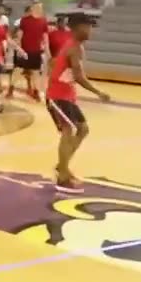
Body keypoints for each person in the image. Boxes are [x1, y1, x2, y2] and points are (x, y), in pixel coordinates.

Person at [46, 14, 111, 193]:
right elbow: (79, 77)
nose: (90, 30)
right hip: (57, 96)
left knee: (83, 129)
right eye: (87, 26)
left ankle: (62, 166)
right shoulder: (74, 48)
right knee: (69, 131)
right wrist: (99, 92)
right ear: (77, 28)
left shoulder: (76, 47)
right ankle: (62, 177)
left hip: (66, 96)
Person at [13, 2, 49, 101]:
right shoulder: (24, 20)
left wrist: (47, 51)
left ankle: (36, 91)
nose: (39, 9)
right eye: (37, 7)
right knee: (18, 70)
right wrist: (20, 49)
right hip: (25, 50)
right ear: (32, 8)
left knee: (36, 72)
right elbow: (19, 36)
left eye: (40, 7)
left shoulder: (43, 21)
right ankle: (11, 89)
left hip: (36, 51)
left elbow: (45, 38)